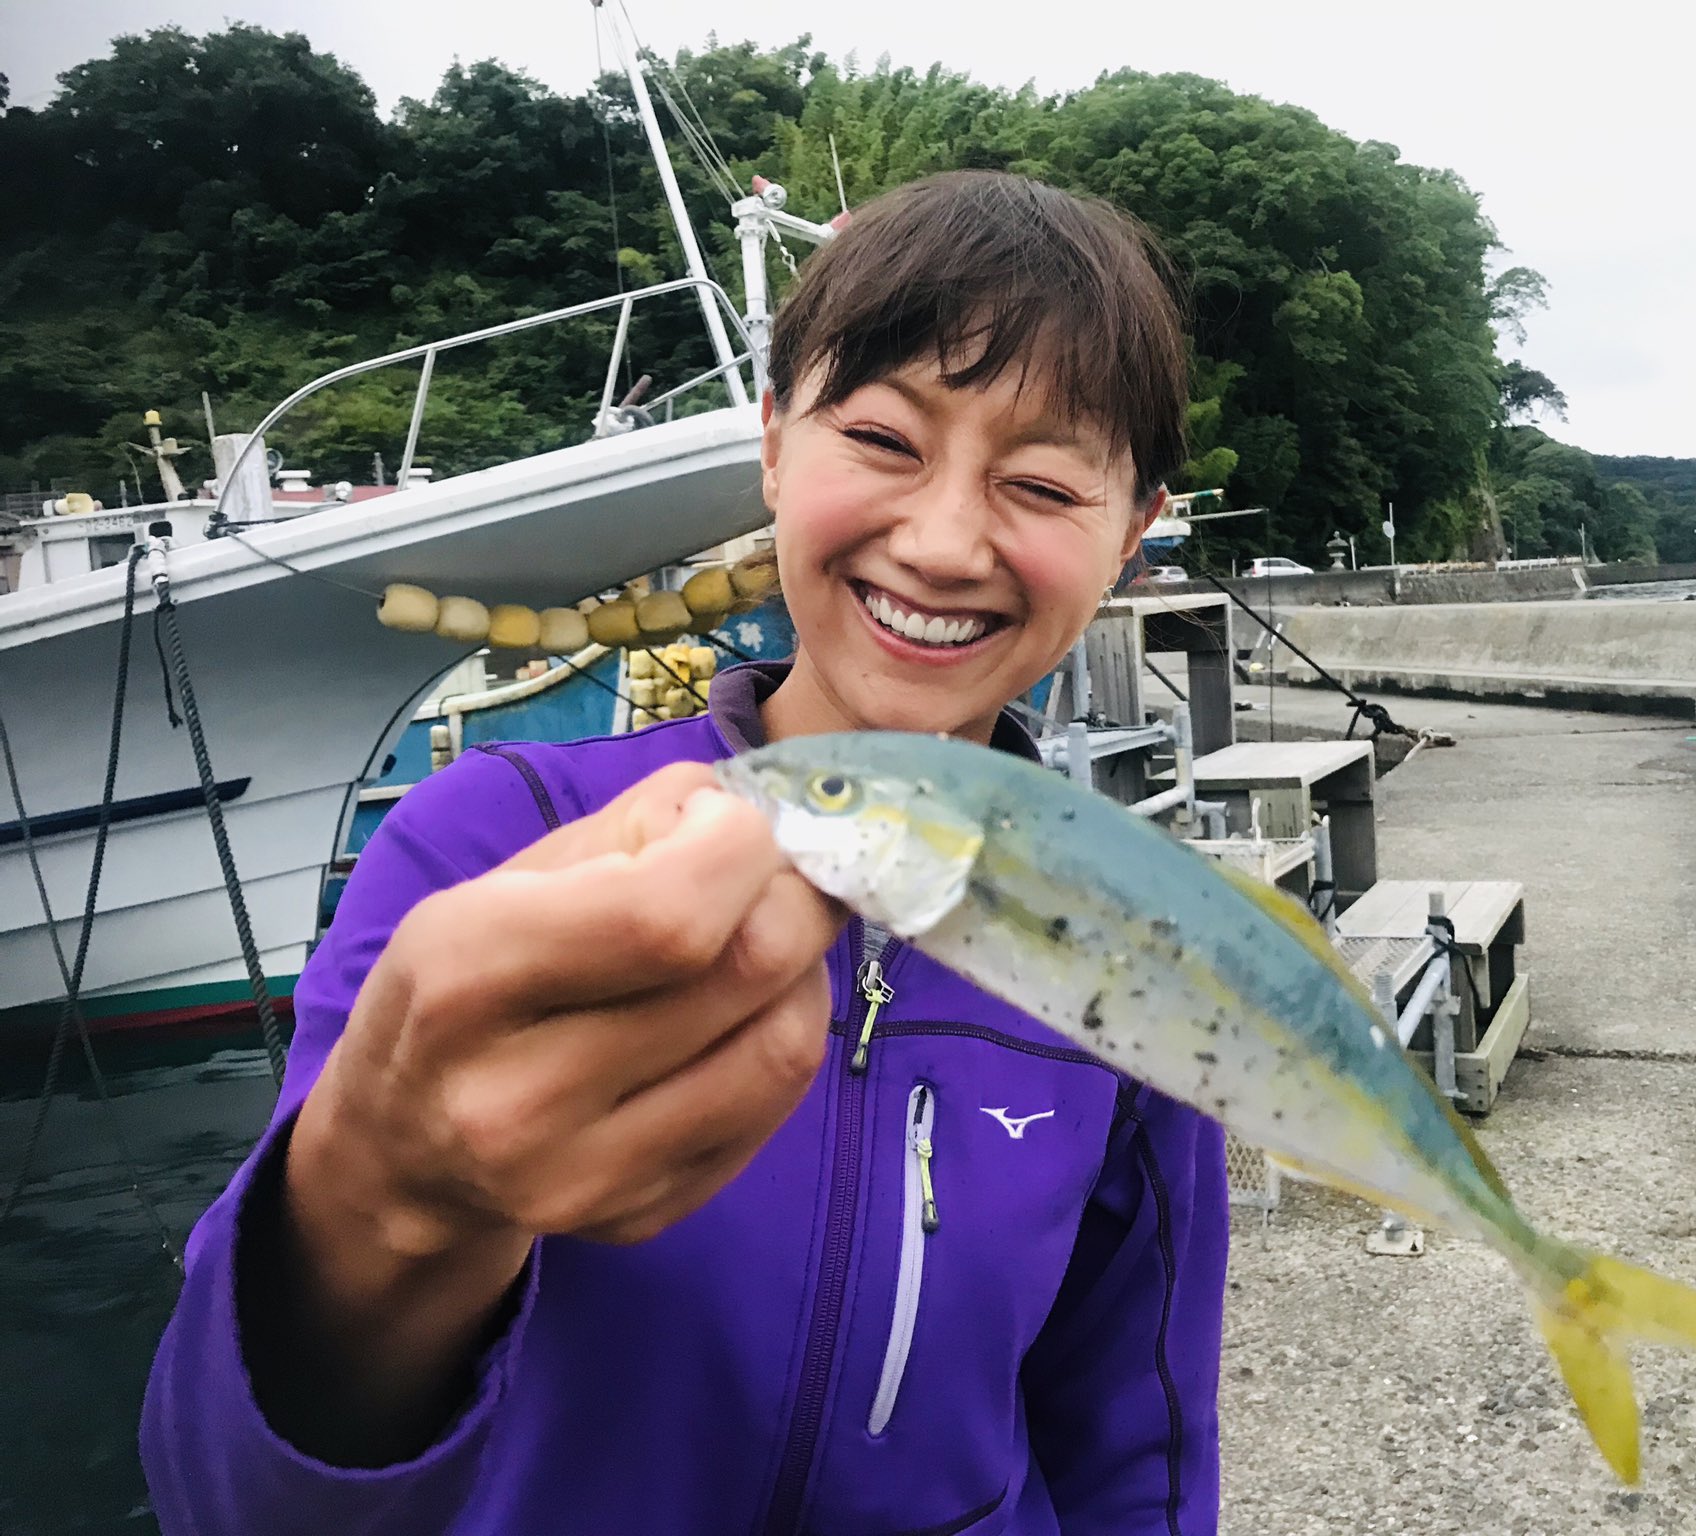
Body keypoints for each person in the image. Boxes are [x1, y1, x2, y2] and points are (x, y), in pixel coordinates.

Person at [141, 170, 1228, 1535]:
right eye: (884, 440)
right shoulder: (491, 840)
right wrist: (391, 1197)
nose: (945, 541)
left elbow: (1141, 1448)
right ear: (772, 446)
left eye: (1044, 482)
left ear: (1130, 536)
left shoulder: (1137, 956)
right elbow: (226, 1495)